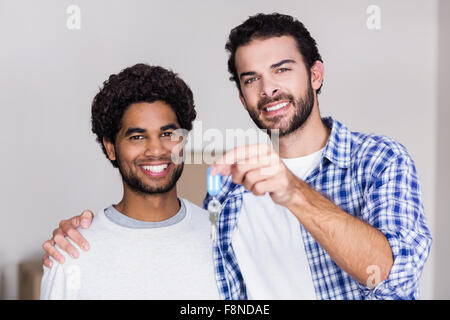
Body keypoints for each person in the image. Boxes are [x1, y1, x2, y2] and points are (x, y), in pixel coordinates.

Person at [42, 13, 432, 300]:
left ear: (315, 75)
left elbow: (394, 277)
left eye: (281, 70)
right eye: (251, 79)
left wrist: (293, 191)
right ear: (242, 96)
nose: (268, 89)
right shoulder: (227, 188)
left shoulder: (378, 161)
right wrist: (89, 231)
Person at [40, 63, 219, 299]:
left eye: (167, 134)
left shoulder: (223, 237)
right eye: (137, 137)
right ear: (111, 148)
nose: (155, 149)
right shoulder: (72, 252)